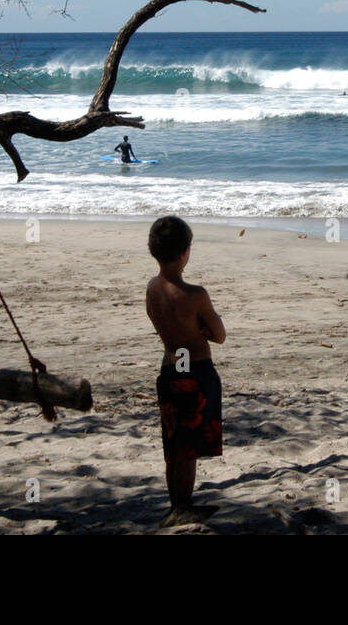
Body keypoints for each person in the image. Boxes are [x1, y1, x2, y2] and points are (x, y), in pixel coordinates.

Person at [145, 215, 226, 527]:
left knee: (173, 440)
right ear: (185, 252)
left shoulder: (153, 288)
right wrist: (203, 329)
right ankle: (184, 505)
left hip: (171, 366)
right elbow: (219, 335)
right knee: (189, 445)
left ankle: (175, 502)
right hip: (195, 368)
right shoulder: (195, 294)